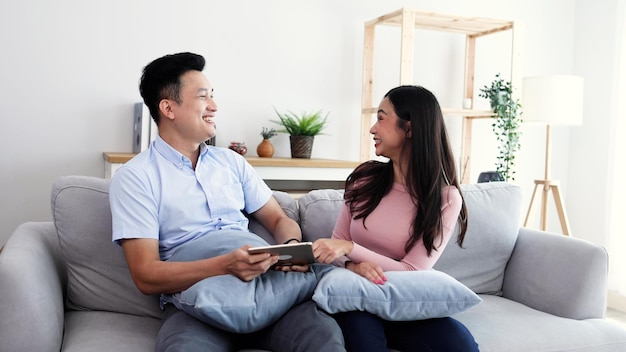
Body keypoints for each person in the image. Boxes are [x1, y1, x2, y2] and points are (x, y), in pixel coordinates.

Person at [109, 52, 344, 352]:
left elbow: (278, 219)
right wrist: (224, 266)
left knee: (324, 339)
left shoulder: (231, 163)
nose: (214, 106)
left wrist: (291, 250)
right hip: (195, 304)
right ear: (168, 108)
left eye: (213, 96)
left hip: (269, 289)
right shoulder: (136, 177)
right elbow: (145, 274)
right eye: (203, 97)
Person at [312, 85, 479, 352]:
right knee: (365, 341)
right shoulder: (364, 180)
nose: (372, 129)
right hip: (357, 296)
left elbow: (414, 271)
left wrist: (352, 250)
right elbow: (336, 246)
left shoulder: (446, 199)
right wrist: (353, 266)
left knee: (461, 345)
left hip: (404, 300)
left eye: (381, 118)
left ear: (409, 129)